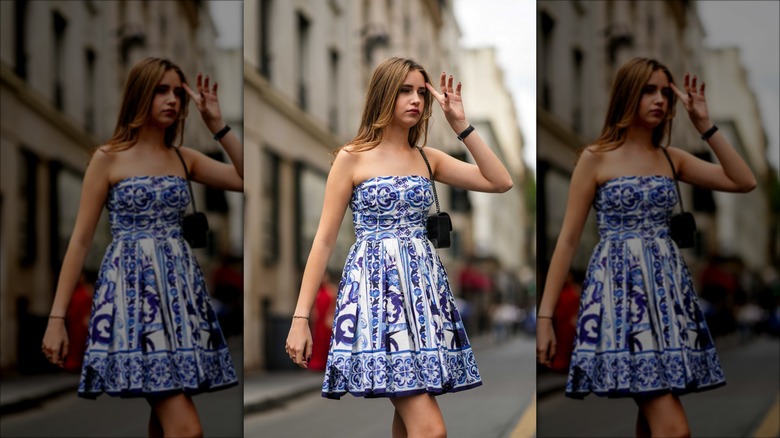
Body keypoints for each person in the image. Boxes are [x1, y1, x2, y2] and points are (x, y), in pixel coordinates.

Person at [285, 57, 512, 437]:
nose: (416, 100)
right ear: (383, 94)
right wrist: (300, 318)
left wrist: (461, 125)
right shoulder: (351, 157)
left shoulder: (428, 158)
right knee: (430, 430)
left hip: (424, 300)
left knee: (410, 427)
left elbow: (500, 181)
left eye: (421, 92)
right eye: (405, 90)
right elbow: (324, 240)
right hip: (377, 300)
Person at [536, 57, 757, 438]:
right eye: (648, 90)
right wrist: (545, 318)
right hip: (619, 299)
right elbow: (568, 240)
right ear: (627, 95)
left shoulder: (673, 159)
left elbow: (744, 181)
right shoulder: (595, 158)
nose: (660, 100)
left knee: (652, 423)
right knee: (673, 429)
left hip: (669, 301)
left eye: (665, 93)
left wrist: (705, 126)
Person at [40, 57, 243, 438]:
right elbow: (80, 240)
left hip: (182, 302)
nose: (172, 101)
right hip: (132, 300)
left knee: (164, 424)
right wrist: (57, 319)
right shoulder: (107, 159)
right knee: (186, 429)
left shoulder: (185, 158)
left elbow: (246, 177)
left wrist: (217, 125)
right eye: (161, 91)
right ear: (139, 95)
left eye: (178, 93)